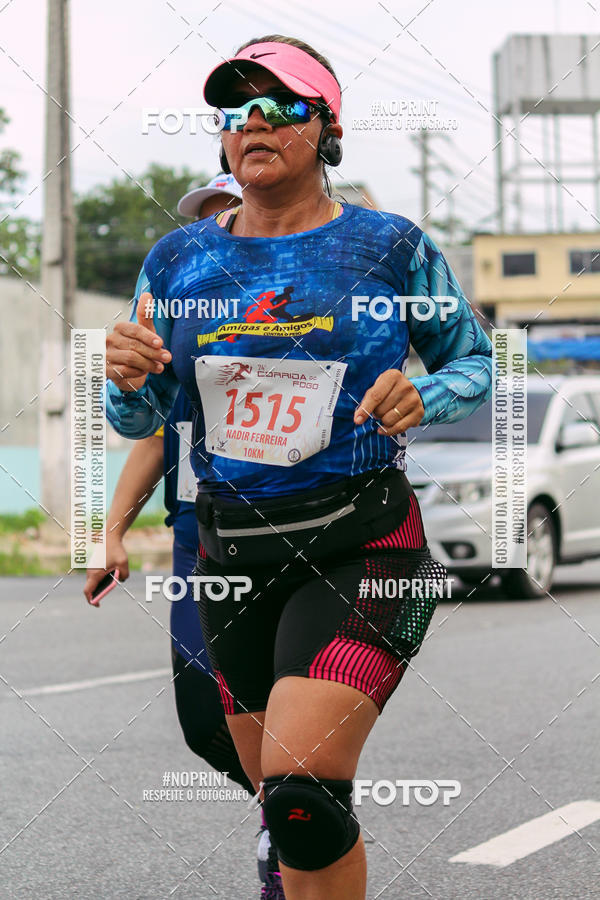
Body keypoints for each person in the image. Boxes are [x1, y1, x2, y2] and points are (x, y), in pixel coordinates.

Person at [104, 34, 492, 900]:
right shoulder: (178, 260)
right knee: (284, 814)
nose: (254, 123)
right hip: (234, 560)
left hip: (364, 544)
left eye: (279, 105)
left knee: (302, 795)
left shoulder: (387, 245)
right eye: (234, 110)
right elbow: (141, 414)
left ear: (326, 126)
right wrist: (123, 378)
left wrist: (423, 395)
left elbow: (475, 363)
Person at [86, 177, 286, 898]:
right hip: (198, 534)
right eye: (206, 221)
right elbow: (150, 436)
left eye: (228, 216)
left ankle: (297, 820)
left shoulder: (292, 319)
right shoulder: (178, 331)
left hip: (290, 524)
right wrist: (111, 533)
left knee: (288, 697)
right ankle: (287, 801)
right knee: (206, 716)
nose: (217, 233)